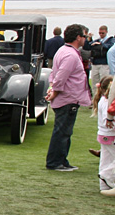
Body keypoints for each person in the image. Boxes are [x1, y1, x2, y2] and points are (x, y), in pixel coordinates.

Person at [45, 24, 92, 171]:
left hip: (67, 98)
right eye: (84, 36)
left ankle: (62, 160)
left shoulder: (64, 51)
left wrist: (52, 89)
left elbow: (55, 75)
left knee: (65, 132)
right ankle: (55, 162)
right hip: (67, 99)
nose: (85, 39)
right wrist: (54, 92)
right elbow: (60, 77)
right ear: (78, 37)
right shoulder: (70, 54)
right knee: (62, 132)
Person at [92, 76, 115, 195]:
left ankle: (104, 185)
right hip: (110, 135)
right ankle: (106, 176)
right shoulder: (107, 103)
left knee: (106, 159)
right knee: (110, 159)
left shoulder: (101, 100)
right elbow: (110, 122)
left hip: (103, 134)